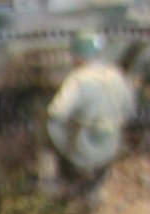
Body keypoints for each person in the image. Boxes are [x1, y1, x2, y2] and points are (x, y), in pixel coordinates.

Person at [40, 31, 134, 202]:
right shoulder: (116, 75)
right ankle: (95, 189)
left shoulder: (78, 80)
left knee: (43, 130)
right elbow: (128, 108)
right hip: (110, 145)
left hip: (83, 148)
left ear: (78, 57)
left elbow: (57, 112)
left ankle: (51, 185)